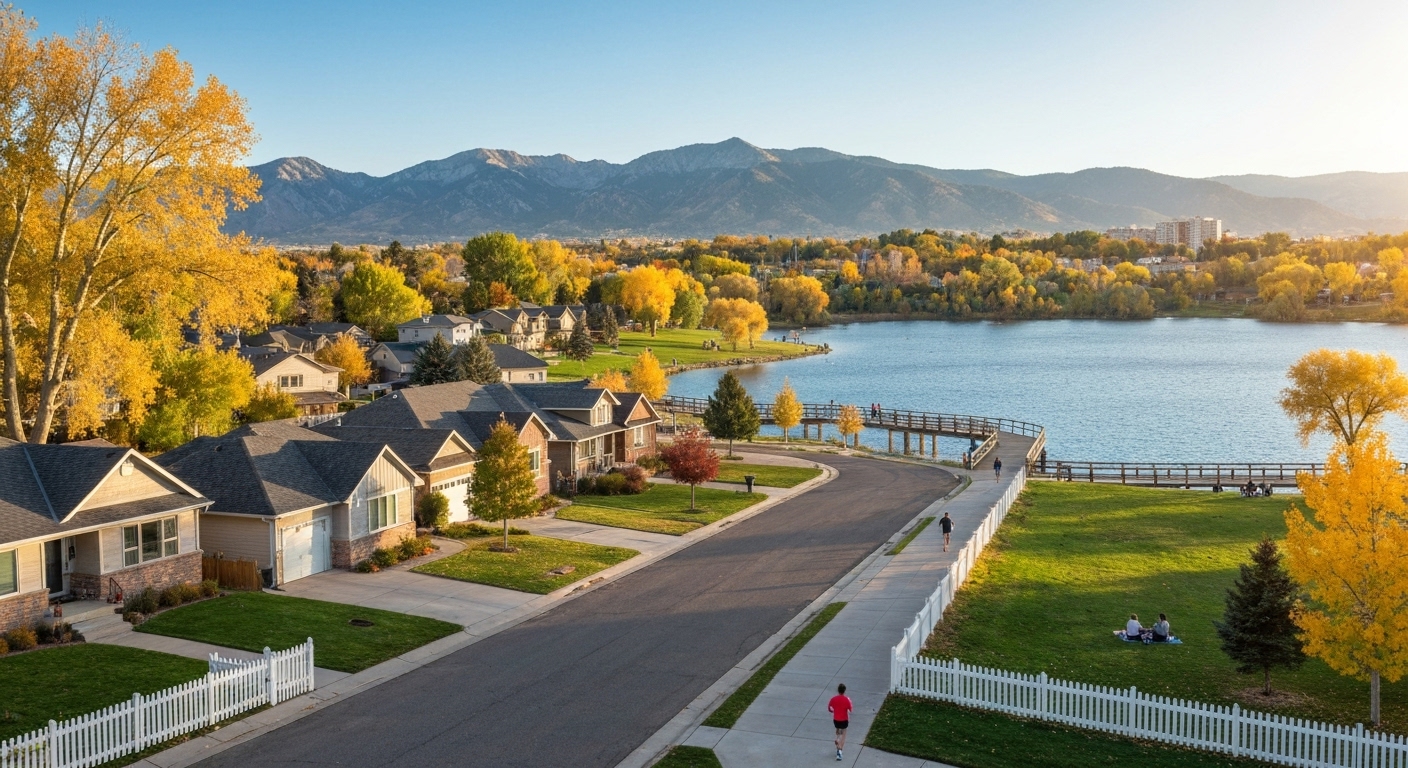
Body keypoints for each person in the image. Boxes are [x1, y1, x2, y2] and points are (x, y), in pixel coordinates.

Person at [828, 683, 853, 761]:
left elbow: (829, 708)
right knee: (843, 735)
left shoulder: (833, 699)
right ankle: (840, 751)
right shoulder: (847, 699)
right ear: (844, 690)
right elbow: (850, 709)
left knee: (838, 731)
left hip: (836, 719)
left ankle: (837, 740)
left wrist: (834, 711)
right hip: (844, 720)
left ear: (838, 690)